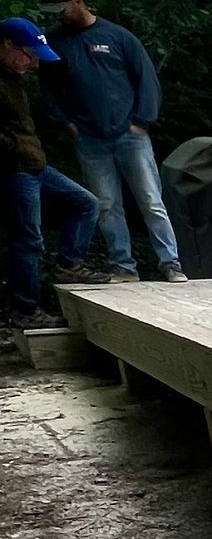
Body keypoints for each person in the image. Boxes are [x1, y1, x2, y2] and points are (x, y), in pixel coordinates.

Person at [39, 0, 188, 282]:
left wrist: (142, 120)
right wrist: (65, 121)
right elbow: (48, 89)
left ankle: (170, 263)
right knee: (106, 205)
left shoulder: (118, 36)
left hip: (130, 134)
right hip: (90, 138)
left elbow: (146, 78)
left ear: (78, 2)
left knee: (150, 200)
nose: (59, 15)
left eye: (62, 8)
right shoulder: (56, 43)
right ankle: (123, 265)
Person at [0, 18, 101, 328]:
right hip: (13, 169)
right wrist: (15, 150)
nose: (32, 64)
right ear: (7, 45)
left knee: (86, 203)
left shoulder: (11, 77)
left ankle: (69, 265)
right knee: (29, 239)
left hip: (34, 164)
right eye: (29, 55)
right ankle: (26, 312)